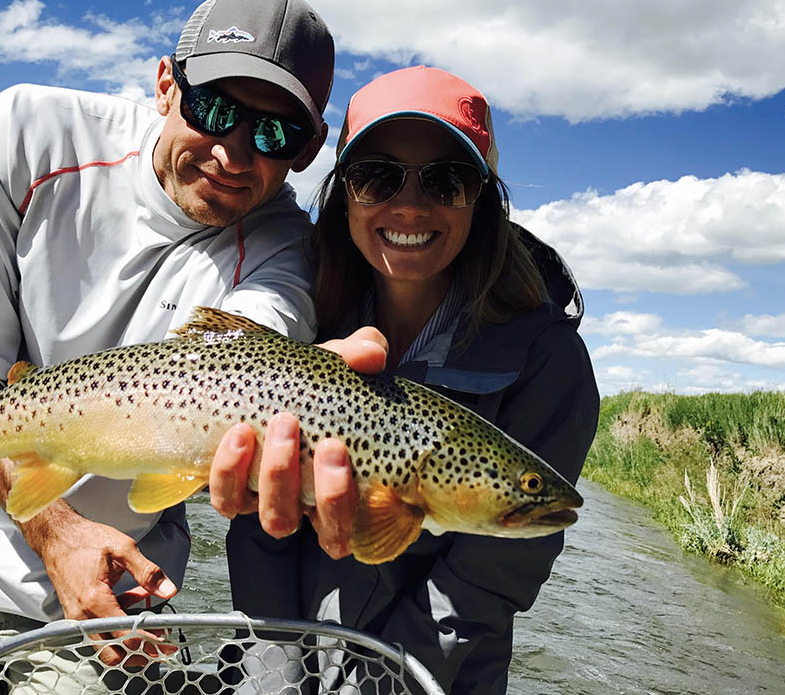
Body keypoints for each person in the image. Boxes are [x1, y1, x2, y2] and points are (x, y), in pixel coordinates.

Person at [0, 0, 378, 695]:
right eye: (215, 109)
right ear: (166, 84)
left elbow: (257, 339)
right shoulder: (30, 132)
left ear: (309, 148)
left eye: (274, 134)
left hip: (114, 593)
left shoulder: (288, 249)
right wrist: (58, 534)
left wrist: (291, 389)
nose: (232, 153)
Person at [226, 65, 600, 694]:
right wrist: (273, 675)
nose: (408, 205)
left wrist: (372, 683)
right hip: (277, 660)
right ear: (345, 191)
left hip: (434, 678)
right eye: (376, 177)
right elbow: (263, 526)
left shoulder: (549, 361)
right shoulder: (304, 311)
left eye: (446, 181)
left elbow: (484, 585)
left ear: (480, 197)